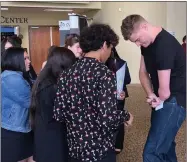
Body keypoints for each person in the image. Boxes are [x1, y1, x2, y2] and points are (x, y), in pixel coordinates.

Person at [53, 23, 133, 162]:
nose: (110, 53)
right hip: (99, 150)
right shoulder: (104, 74)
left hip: (75, 149)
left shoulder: (67, 73)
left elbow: (58, 114)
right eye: (110, 48)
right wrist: (126, 116)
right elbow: (108, 118)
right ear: (104, 45)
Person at [121, 14, 186, 162]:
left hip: (174, 101)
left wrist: (157, 98)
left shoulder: (164, 45)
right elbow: (142, 73)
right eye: (134, 42)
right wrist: (151, 94)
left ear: (144, 26)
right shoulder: (147, 44)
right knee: (166, 145)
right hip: (161, 99)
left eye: (137, 39)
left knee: (152, 153)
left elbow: (165, 91)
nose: (137, 44)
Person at [30, 47, 76, 162]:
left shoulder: (46, 81)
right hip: (52, 140)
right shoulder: (50, 87)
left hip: (49, 137)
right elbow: (59, 115)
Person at [1, 47, 34, 162]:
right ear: (15, 60)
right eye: (25, 58)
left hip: (21, 128)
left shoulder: (19, 75)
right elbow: (30, 101)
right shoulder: (11, 78)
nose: (29, 61)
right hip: (13, 131)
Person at [105, 47, 131, 154]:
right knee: (119, 116)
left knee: (107, 116)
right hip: (120, 95)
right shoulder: (122, 62)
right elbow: (128, 80)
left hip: (106, 96)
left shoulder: (101, 64)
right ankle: (118, 146)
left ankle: (108, 142)